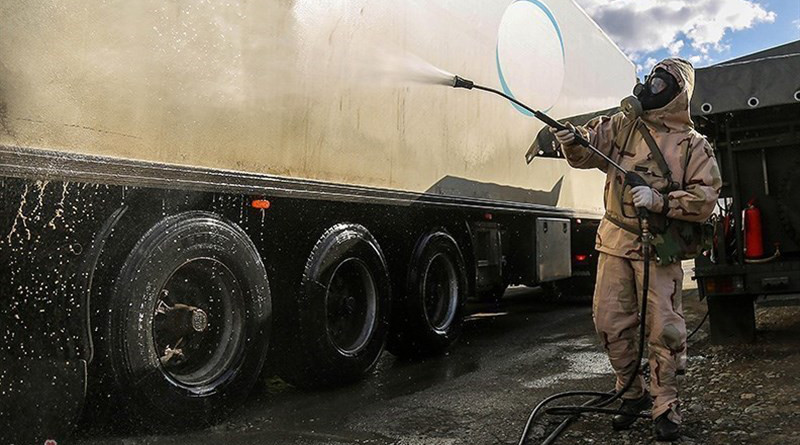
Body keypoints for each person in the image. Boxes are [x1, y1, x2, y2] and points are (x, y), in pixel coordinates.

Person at [551, 58, 721, 442]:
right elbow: (589, 150)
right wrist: (573, 141)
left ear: (677, 93)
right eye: (650, 78)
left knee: (666, 331)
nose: (651, 86)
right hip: (615, 241)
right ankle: (631, 395)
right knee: (610, 324)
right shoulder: (624, 125)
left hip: (658, 249)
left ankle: (665, 406)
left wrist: (661, 200)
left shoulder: (693, 145)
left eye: (661, 82)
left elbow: (706, 198)